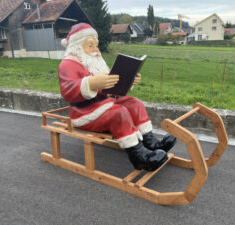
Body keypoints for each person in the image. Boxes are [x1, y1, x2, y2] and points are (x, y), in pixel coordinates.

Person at [58, 23, 176, 171]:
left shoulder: (96, 61)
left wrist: (129, 79)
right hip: (85, 112)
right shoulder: (67, 65)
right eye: (90, 46)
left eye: (96, 45)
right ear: (76, 47)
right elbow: (67, 90)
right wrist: (92, 83)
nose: (95, 50)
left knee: (135, 103)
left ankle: (150, 141)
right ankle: (139, 157)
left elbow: (113, 85)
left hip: (105, 101)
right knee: (119, 113)